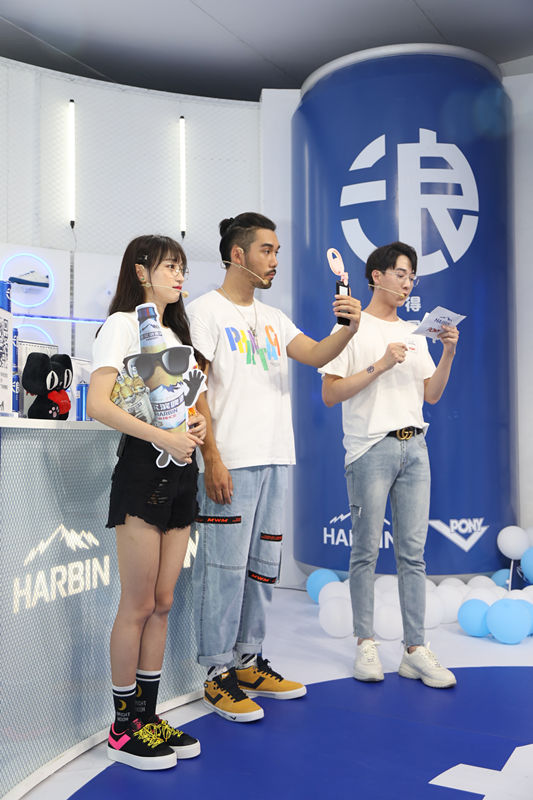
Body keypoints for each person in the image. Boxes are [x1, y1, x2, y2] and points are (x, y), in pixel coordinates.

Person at [187, 212, 361, 722]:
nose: (275, 260)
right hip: (231, 461)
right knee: (223, 570)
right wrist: (211, 456)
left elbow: (317, 353)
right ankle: (216, 673)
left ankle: (248, 660)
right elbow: (196, 390)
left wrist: (347, 327)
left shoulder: (274, 317)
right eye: (267, 250)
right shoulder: (204, 312)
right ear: (237, 254)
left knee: (263, 568)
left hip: (275, 457)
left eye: (277, 251)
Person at [87, 235, 206, 769]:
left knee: (162, 602)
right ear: (141, 271)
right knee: (136, 604)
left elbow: (187, 410)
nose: (179, 276)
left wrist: (195, 427)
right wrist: (162, 437)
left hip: (182, 473)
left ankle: (148, 717)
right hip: (143, 472)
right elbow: (98, 404)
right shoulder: (121, 325)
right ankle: (122, 727)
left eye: (183, 268)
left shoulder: (176, 334)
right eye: (170, 266)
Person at [320, 241, 459, 689]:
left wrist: (448, 352)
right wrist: (380, 365)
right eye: (400, 274)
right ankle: (365, 643)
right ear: (376, 276)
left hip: (415, 446)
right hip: (370, 448)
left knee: (413, 555)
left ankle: (415, 650)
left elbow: (431, 394)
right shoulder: (351, 326)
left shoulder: (416, 333)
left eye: (412, 277)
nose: (407, 283)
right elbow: (330, 393)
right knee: (365, 551)